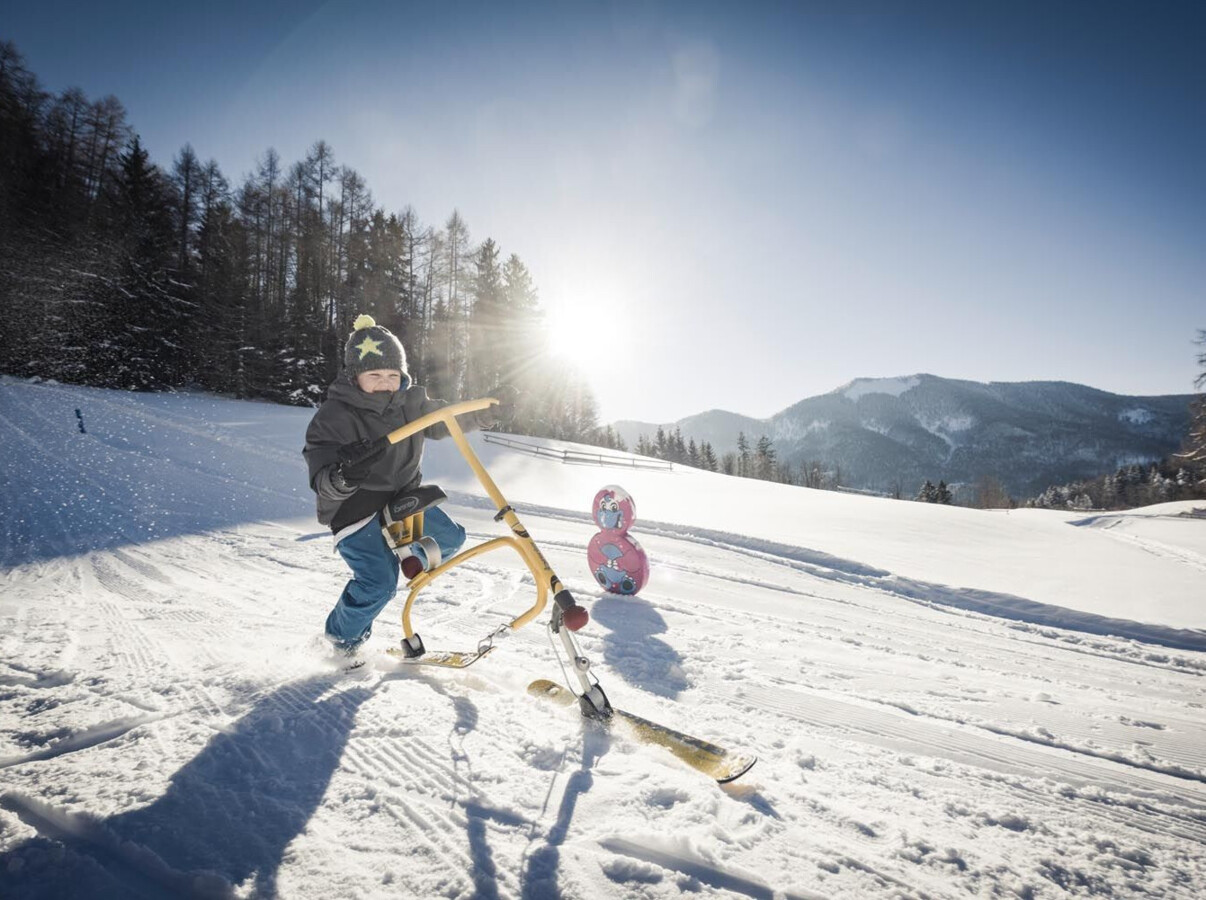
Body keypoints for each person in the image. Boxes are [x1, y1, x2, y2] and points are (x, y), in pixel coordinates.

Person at [303, 314, 510, 654]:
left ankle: (407, 556)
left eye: (392, 375)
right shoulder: (335, 416)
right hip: (354, 509)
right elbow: (322, 476)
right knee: (379, 583)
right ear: (355, 376)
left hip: (401, 500)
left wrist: (484, 412)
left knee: (451, 539)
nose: (385, 383)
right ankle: (339, 641)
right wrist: (344, 475)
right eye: (374, 375)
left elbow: (446, 418)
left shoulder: (411, 403)